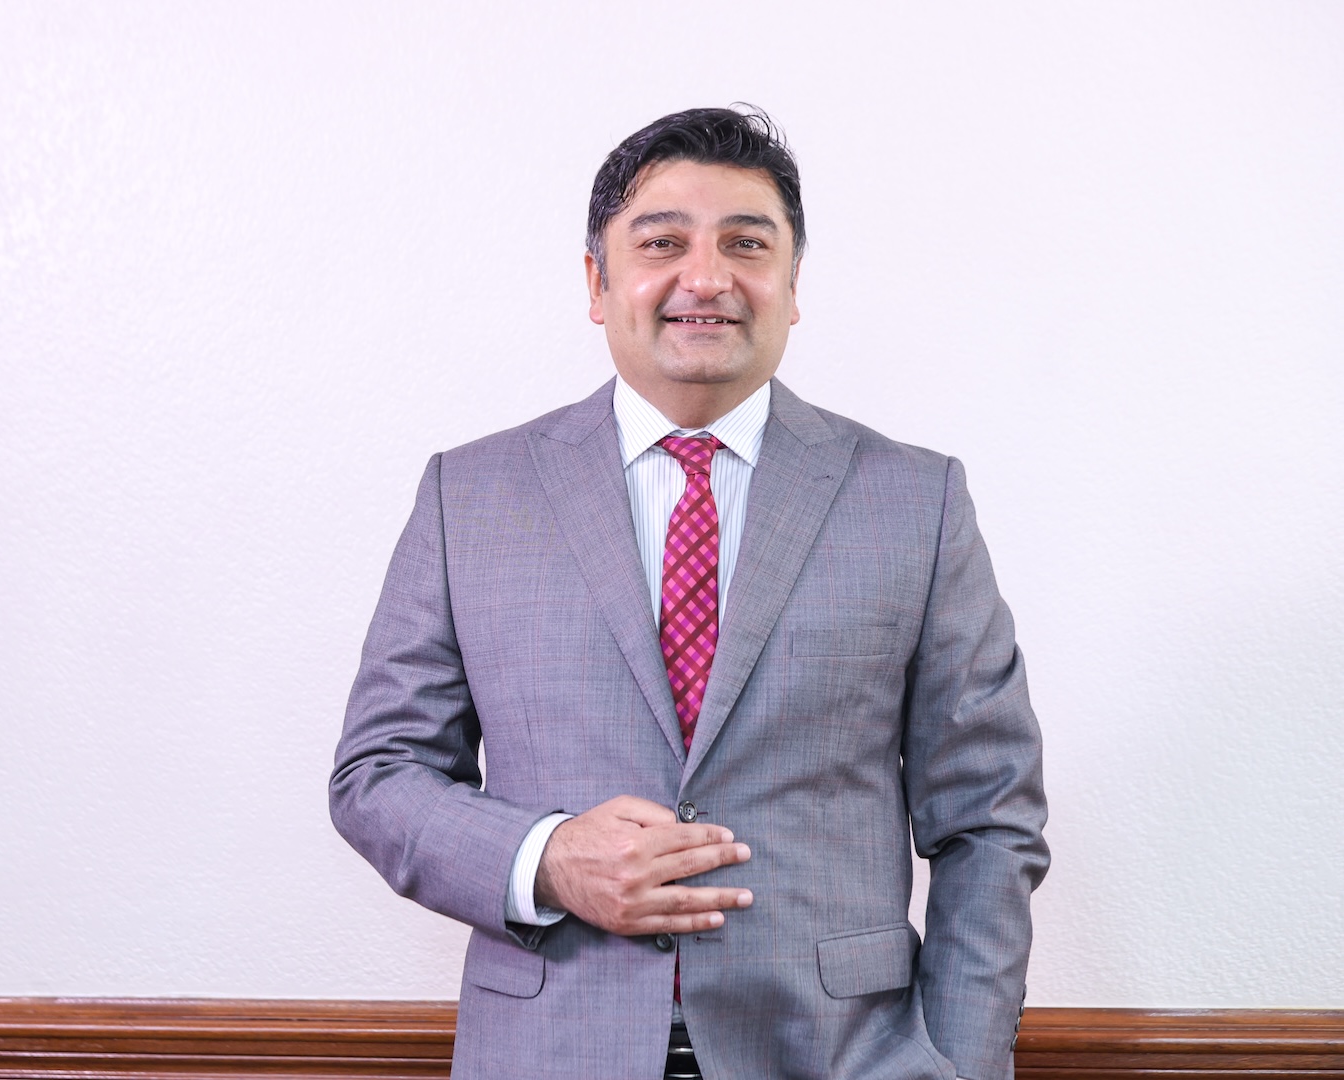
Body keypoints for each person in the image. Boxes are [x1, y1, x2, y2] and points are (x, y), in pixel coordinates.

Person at [329, 106, 1048, 1080]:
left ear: (792, 284)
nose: (705, 278)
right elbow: (380, 772)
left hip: (840, 1058)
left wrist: (961, 1066)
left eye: (746, 244)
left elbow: (989, 817)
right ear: (598, 283)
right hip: (550, 1053)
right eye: (662, 242)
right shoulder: (472, 494)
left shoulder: (916, 502)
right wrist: (546, 857)